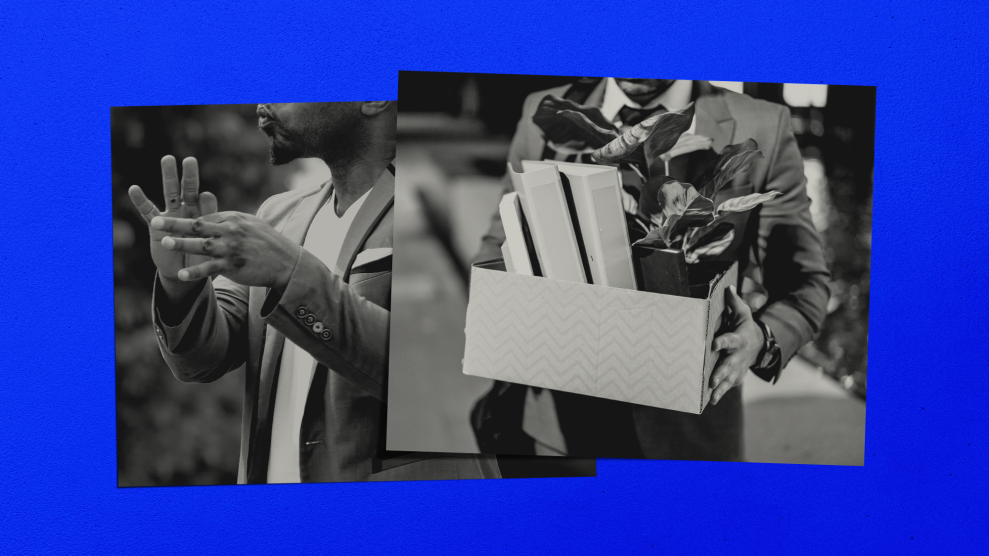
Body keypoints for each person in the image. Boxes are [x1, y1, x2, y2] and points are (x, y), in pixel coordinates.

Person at [128, 101, 501, 483]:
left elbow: (449, 373)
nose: (264, 103)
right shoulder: (277, 216)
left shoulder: (422, 215)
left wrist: (292, 274)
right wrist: (181, 282)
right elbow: (201, 360)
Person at [473, 78, 831, 461]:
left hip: (687, 438)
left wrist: (759, 339)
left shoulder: (762, 123)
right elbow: (499, 244)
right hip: (554, 429)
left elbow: (806, 282)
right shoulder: (546, 111)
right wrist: (502, 318)